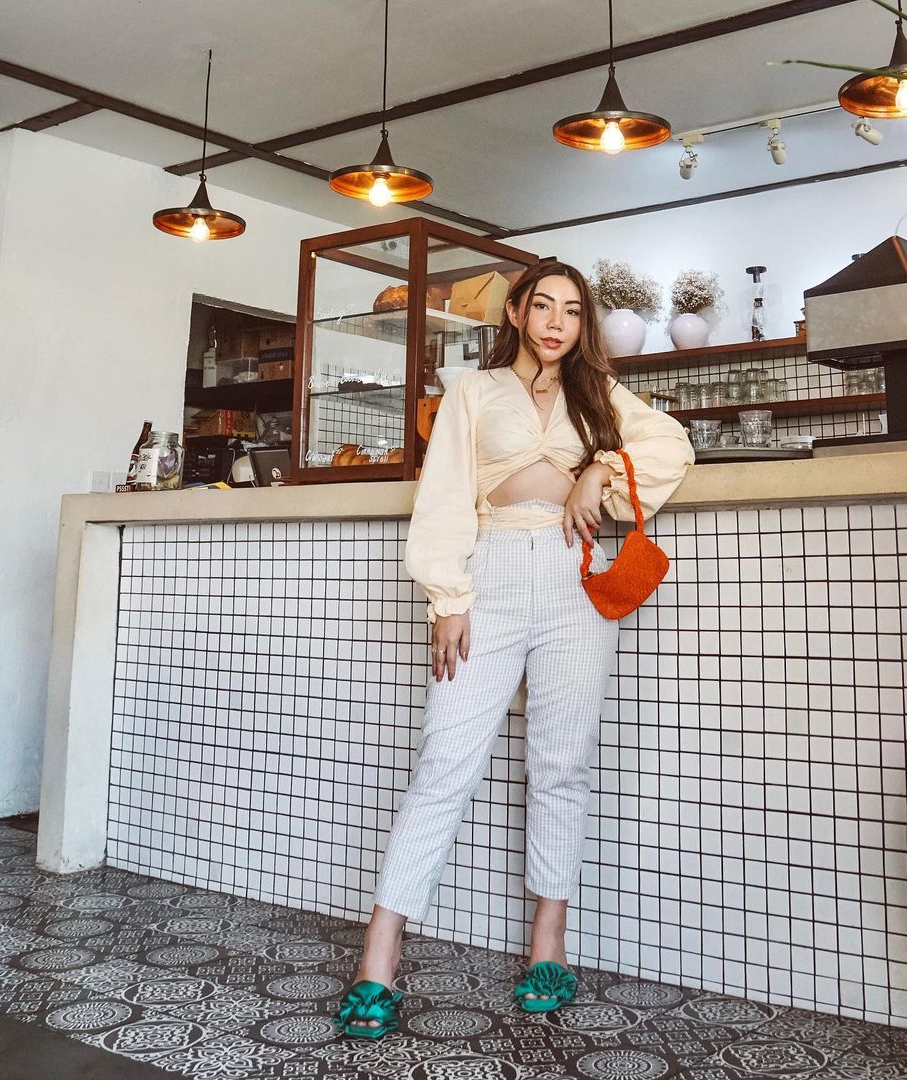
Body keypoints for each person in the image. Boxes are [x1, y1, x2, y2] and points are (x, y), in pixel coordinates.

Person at [334, 260, 694, 1038]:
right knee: (444, 762)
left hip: (573, 577)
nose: (557, 321)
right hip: (490, 572)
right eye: (543, 306)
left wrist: (599, 469)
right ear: (518, 313)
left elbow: (672, 445)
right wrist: (447, 599)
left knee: (562, 765)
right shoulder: (474, 389)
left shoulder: (600, 395)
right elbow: (442, 496)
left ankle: (547, 947)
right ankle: (378, 956)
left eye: (572, 309)